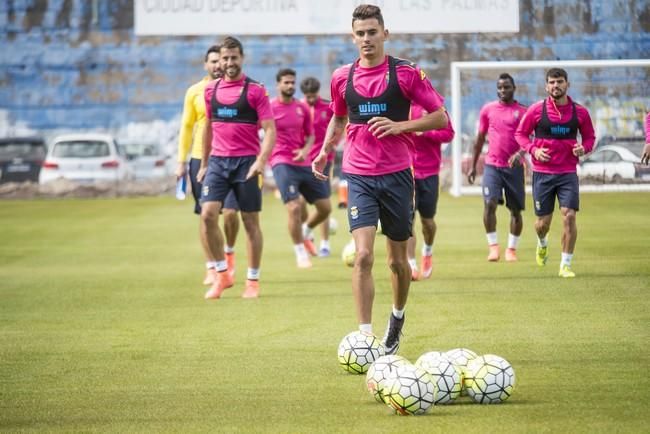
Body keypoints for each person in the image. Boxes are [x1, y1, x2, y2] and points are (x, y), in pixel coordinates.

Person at [312, 4, 447, 354]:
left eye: (373, 32)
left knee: (397, 261)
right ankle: (364, 336)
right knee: (363, 257)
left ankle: (397, 318)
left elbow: (440, 118)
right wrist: (325, 150)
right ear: (352, 37)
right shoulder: (342, 77)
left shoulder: (406, 74)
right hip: (358, 175)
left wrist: (400, 126)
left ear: (385, 34)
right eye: (361, 33)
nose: (367, 39)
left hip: (398, 176)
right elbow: (339, 119)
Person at [197, 36, 276, 299]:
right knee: (208, 215)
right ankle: (222, 274)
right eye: (224, 58)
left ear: (242, 58)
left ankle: (252, 281)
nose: (229, 63)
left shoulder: (255, 91)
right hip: (219, 162)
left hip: (246, 163)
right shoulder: (210, 90)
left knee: (250, 222)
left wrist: (260, 161)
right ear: (219, 60)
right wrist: (205, 164)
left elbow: (270, 130)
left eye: (234, 58)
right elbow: (207, 127)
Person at [515, 68, 595, 278]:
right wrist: (534, 149)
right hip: (542, 174)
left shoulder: (580, 113)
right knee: (542, 224)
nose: (555, 86)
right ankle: (542, 243)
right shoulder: (535, 110)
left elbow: (589, 138)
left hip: (568, 173)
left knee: (569, 216)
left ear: (567, 84)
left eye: (559, 82)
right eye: (551, 82)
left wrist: (583, 148)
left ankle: (565, 265)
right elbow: (520, 134)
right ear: (546, 86)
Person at [176, 45, 241, 287]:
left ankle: (229, 252)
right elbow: (187, 126)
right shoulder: (195, 91)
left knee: (232, 213)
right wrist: (181, 162)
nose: (217, 65)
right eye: (212, 61)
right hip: (200, 160)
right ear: (206, 65)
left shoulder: (235, 90)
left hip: (232, 158)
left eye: (220, 60)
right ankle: (212, 267)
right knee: (205, 216)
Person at [270, 68, 331, 268]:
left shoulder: (301, 108)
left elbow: (311, 134)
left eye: (292, 82)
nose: (290, 86)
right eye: (286, 82)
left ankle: (305, 230)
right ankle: (300, 252)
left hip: (303, 162)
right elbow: (261, 133)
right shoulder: (270, 108)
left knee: (325, 208)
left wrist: (305, 150)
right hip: (281, 161)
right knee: (294, 207)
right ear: (278, 84)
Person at [467, 73, 528, 262]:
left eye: (506, 87)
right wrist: (472, 165)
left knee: (515, 211)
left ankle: (511, 249)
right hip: (492, 166)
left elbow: (529, 138)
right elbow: (479, 139)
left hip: (514, 168)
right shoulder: (488, 110)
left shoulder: (523, 112)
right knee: (490, 203)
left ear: (514, 88)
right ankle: (493, 247)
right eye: (500, 87)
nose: (503, 91)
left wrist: (520, 154)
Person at [407, 107, 454, 280]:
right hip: (407, 173)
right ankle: (411, 265)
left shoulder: (435, 107)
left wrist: (426, 132)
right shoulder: (404, 104)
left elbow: (449, 134)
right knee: (408, 221)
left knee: (427, 222)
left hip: (430, 174)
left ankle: (427, 252)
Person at [301, 76, 336, 257]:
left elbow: (339, 126)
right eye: (308, 96)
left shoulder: (328, 107)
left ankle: (325, 244)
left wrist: (332, 145)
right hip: (303, 161)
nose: (311, 99)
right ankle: (308, 233)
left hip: (323, 160)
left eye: (314, 95)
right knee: (299, 202)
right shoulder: (299, 108)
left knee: (324, 201)